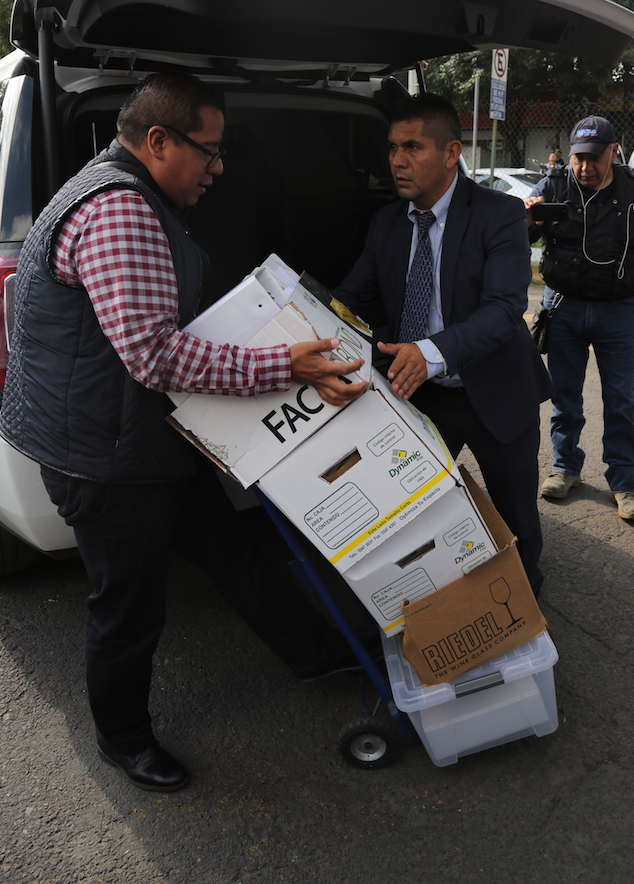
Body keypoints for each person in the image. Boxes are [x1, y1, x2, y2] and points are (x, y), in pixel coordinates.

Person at [0, 73, 369, 794]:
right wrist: (285, 364)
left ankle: (319, 652)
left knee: (232, 548)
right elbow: (154, 355)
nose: (218, 167)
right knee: (128, 606)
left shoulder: (118, 190)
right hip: (107, 458)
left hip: (142, 437)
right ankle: (124, 740)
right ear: (159, 140)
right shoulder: (121, 210)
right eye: (210, 150)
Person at [333, 93, 552, 598]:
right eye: (392, 147)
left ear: (452, 152)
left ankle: (527, 608)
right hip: (423, 398)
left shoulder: (499, 215)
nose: (397, 160)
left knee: (516, 517)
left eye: (412, 147)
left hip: (497, 392)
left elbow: (503, 310)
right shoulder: (387, 223)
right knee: (415, 512)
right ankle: (431, 604)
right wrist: (300, 324)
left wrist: (429, 353)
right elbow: (351, 298)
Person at [524, 115, 634, 521]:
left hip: (618, 310)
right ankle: (565, 468)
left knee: (621, 400)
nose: (585, 167)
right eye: (578, 158)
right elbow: (519, 235)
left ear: (613, 152)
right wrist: (526, 217)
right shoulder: (553, 185)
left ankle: (624, 483)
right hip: (563, 306)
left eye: (594, 157)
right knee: (564, 396)